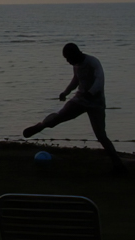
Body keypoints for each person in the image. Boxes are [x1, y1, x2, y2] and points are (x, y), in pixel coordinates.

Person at [23, 43, 126, 173]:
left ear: (76, 54)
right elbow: (76, 80)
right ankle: (41, 125)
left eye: (68, 58)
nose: (68, 61)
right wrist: (65, 92)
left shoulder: (92, 62)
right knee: (58, 117)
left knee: (101, 135)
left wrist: (90, 93)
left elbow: (99, 80)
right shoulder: (76, 65)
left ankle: (118, 164)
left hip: (96, 102)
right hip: (80, 100)